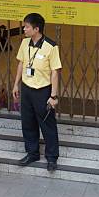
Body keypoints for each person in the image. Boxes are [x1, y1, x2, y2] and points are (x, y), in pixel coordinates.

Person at [12, 13, 62, 172]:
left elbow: (55, 72)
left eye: (26, 26)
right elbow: (21, 64)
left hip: (43, 91)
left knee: (47, 125)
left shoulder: (51, 46)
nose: (24, 29)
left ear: (36, 29)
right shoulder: (24, 43)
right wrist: (15, 85)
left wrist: (53, 96)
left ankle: (52, 158)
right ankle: (32, 153)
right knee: (27, 122)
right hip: (26, 89)